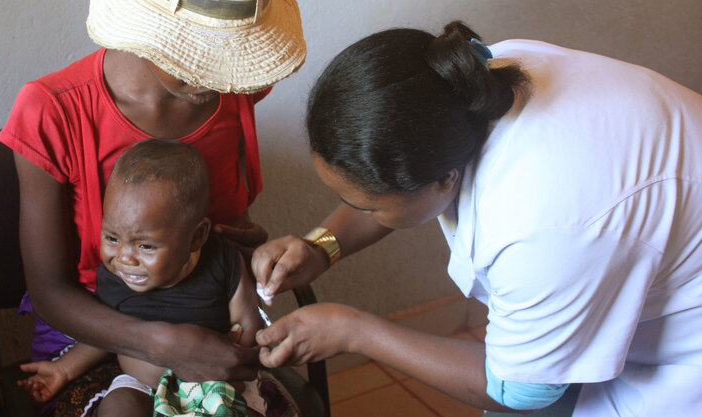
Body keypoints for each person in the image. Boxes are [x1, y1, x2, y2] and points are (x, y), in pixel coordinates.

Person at [250, 21, 702, 417]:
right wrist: (320, 246)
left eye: (365, 205)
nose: (351, 211)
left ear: (443, 180)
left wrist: (357, 331)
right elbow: (386, 182)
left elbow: (520, 392)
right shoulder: (463, 82)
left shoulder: (540, 227)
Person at [0, 0, 305, 414]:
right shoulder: (53, 111)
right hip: (96, 329)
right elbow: (49, 292)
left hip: (208, 317)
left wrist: (244, 247)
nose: (218, 72)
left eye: (229, 52)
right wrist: (165, 343)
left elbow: (223, 231)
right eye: (201, 51)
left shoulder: (232, 89)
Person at [17, 139, 296, 417]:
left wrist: (238, 351)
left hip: (215, 383)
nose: (124, 257)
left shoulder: (222, 262)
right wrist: (63, 369)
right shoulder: (114, 277)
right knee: (117, 407)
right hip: (142, 387)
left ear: (196, 237)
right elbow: (105, 337)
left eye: (146, 246)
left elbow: (248, 325)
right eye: (112, 238)